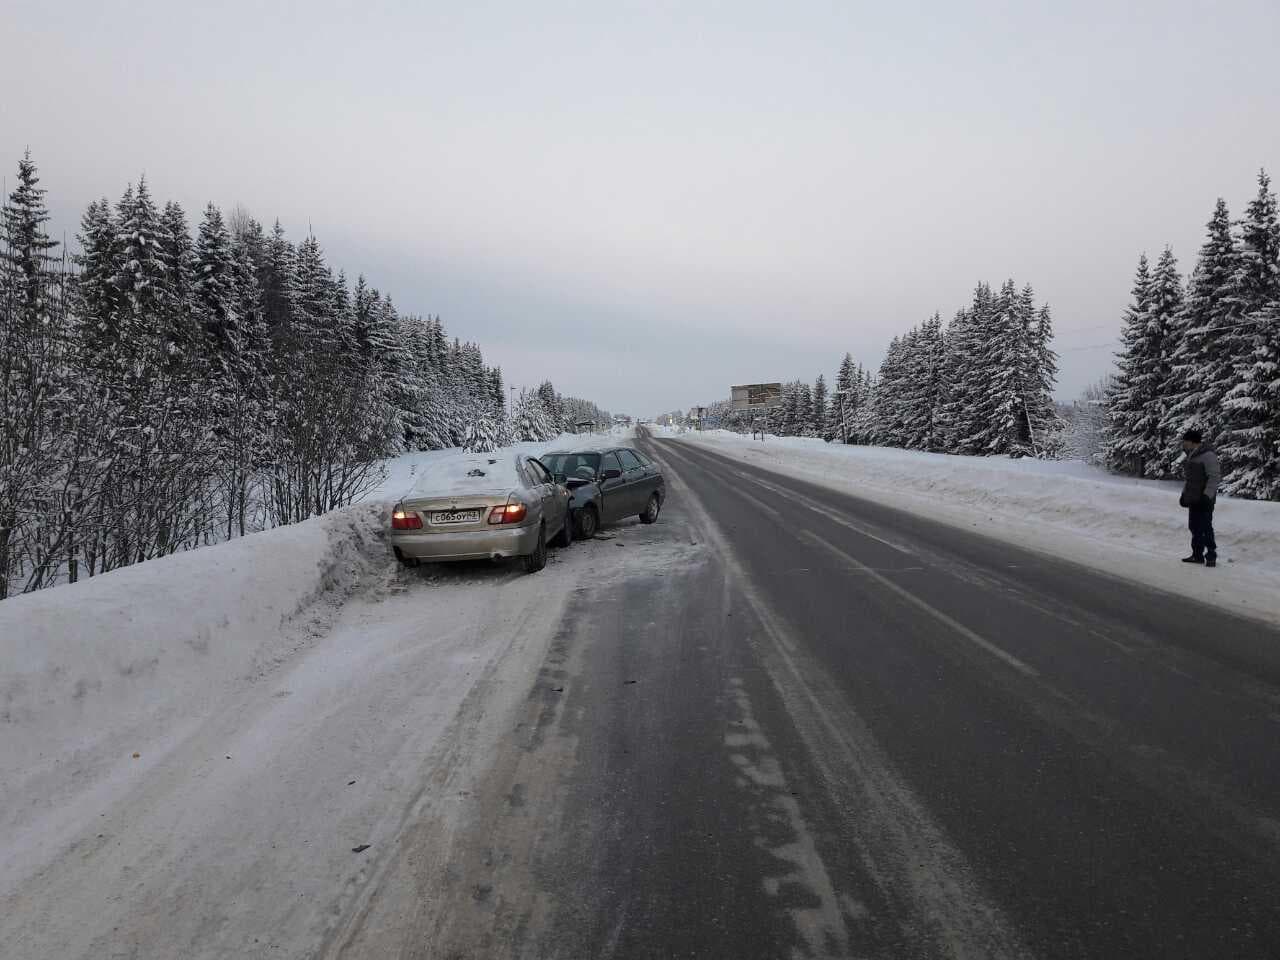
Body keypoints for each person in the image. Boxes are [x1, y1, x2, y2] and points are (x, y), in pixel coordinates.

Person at [1178, 429, 1220, 567]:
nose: (1184, 444)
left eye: (1185, 441)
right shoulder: (1192, 455)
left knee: (1206, 527)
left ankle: (1211, 556)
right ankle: (1197, 555)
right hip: (1193, 498)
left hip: (1205, 499)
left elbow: (1214, 478)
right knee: (1194, 526)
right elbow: (1190, 480)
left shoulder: (1208, 456)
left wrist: (1207, 496)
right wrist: (1184, 495)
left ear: (1192, 442)